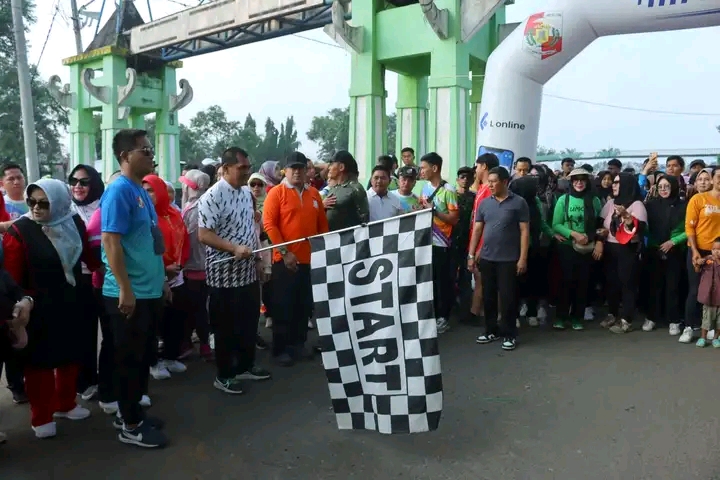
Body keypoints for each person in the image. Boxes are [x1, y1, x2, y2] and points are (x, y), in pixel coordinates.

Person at [4, 178, 101, 439]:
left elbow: (90, 259)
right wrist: (19, 310)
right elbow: (12, 279)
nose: (36, 208)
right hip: (37, 306)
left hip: (71, 298)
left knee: (71, 354)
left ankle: (66, 403)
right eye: (32, 202)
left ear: (58, 203)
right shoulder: (20, 232)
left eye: (44, 203)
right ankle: (42, 416)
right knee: (40, 364)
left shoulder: (73, 222)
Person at [101, 129, 168, 448]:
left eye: (151, 149)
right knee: (129, 359)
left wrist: (162, 281)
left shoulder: (139, 190)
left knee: (142, 357)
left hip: (149, 290)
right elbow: (110, 241)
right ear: (126, 156)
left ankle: (133, 415)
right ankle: (129, 425)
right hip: (128, 295)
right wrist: (125, 289)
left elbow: (151, 243)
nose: (151, 154)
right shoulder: (118, 192)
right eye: (145, 150)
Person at [198, 147, 271, 394]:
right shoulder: (212, 196)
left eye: (248, 168)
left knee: (249, 323)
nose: (246, 172)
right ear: (226, 168)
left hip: (248, 270)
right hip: (223, 273)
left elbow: (251, 228)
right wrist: (232, 248)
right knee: (226, 328)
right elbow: (204, 234)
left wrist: (259, 259)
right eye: (242, 168)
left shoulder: (244, 194)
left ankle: (245, 366)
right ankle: (225, 374)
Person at [263, 152, 329, 366]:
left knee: (303, 305)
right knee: (283, 306)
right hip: (284, 260)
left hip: (309, 260)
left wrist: (323, 252)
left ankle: (298, 345)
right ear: (285, 170)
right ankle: (281, 348)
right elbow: (270, 225)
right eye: (293, 168)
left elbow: (322, 227)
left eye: (301, 167)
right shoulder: (277, 193)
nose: (297, 171)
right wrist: (284, 253)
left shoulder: (314, 194)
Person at [467, 167, 529, 351]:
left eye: (494, 181)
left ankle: (509, 334)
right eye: (489, 181)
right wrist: (471, 255)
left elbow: (525, 232)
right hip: (487, 257)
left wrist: (523, 258)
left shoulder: (519, 203)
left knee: (509, 298)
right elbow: (477, 230)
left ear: (504, 182)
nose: (490, 185)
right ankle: (490, 330)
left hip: (509, 259)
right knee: (489, 296)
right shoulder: (485, 204)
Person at [142, 174, 190, 379]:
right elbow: (144, 249)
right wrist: (163, 269)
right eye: (144, 190)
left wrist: (180, 264)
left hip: (176, 275)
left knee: (174, 320)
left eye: (151, 189)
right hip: (154, 278)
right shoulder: (144, 216)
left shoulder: (174, 213)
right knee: (154, 323)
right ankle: (155, 362)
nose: (147, 194)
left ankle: (171, 356)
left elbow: (184, 240)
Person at [68, 164, 104, 401]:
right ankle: (85, 381)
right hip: (79, 279)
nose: (78, 187)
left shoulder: (105, 206)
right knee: (84, 333)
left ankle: (108, 377)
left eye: (84, 182)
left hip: (108, 277)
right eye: (74, 181)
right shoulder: (65, 210)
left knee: (112, 332)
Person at [419, 152, 459, 334]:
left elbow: (454, 218)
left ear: (434, 168)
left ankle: (444, 317)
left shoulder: (449, 190)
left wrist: (434, 211)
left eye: (423, 167)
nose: (421, 171)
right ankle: (432, 314)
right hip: (426, 241)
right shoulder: (425, 188)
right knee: (429, 281)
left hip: (442, 244)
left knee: (443, 282)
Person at [180, 169, 213, 360]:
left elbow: (187, 240)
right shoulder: (208, 204)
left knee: (194, 308)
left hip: (193, 266)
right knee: (201, 307)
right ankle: (205, 344)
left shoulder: (193, 210)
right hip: (207, 265)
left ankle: (199, 344)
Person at [695, 238, 720, 347]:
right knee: (706, 319)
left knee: (719, 322)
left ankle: (716, 338)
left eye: (719, 249)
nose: (716, 251)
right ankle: (703, 337)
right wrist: (697, 263)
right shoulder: (708, 260)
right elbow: (697, 270)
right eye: (714, 249)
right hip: (708, 296)